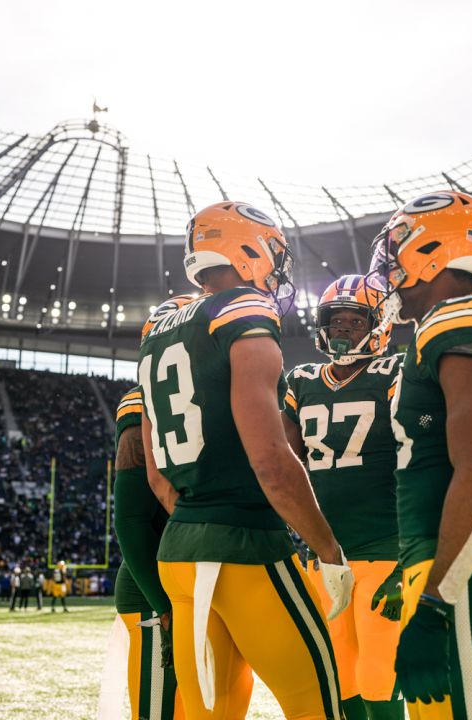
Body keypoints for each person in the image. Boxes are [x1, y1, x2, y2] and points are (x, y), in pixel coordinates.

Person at [142, 201, 352, 720]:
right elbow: (271, 459)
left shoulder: (158, 327)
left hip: (179, 554)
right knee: (317, 702)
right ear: (248, 249)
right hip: (243, 545)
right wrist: (328, 549)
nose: (278, 270)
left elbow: (157, 474)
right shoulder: (244, 311)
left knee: (211, 713)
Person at [369, 190, 472, 719]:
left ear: (432, 250)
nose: (389, 262)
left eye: (397, 245)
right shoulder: (440, 326)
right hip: (455, 564)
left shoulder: (460, 317)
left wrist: (437, 602)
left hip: (468, 572)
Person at [282, 274, 404, 720]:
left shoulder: (395, 372)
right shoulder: (301, 381)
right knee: (340, 675)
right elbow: (284, 463)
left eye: (355, 321)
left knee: (380, 675)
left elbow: (421, 456)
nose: (343, 330)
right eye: (336, 321)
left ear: (379, 324)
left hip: (383, 544)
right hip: (325, 553)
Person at [112, 336, 196, 719]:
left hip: (199, 580)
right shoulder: (142, 403)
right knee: (159, 711)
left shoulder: (216, 396)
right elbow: (129, 520)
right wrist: (162, 607)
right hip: (156, 590)